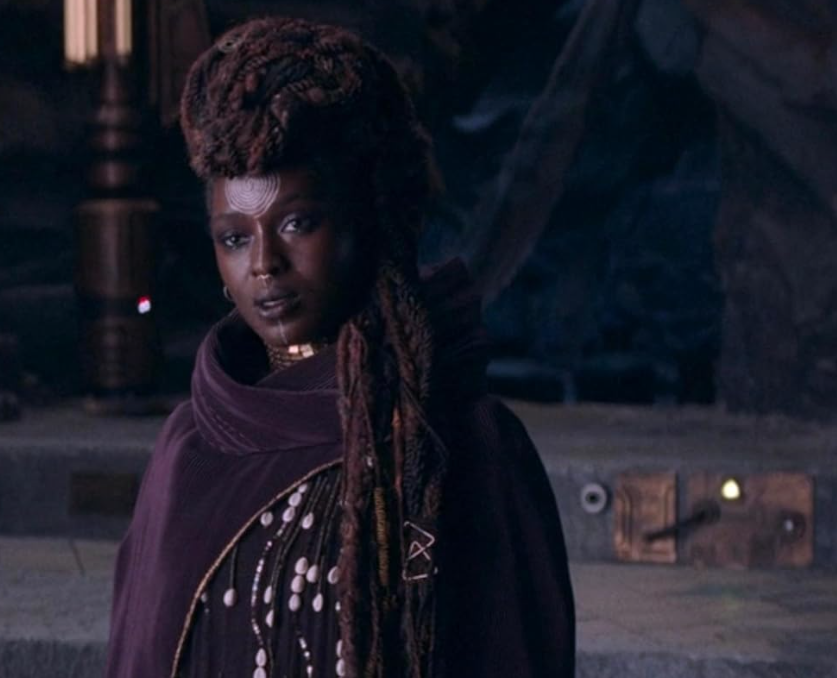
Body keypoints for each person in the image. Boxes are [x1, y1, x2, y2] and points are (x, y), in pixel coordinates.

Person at [106, 16, 574, 678]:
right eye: (235, 237)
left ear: (365, 219)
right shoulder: (190, 451)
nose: (264, 263)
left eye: (298, 223)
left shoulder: (460, 443)